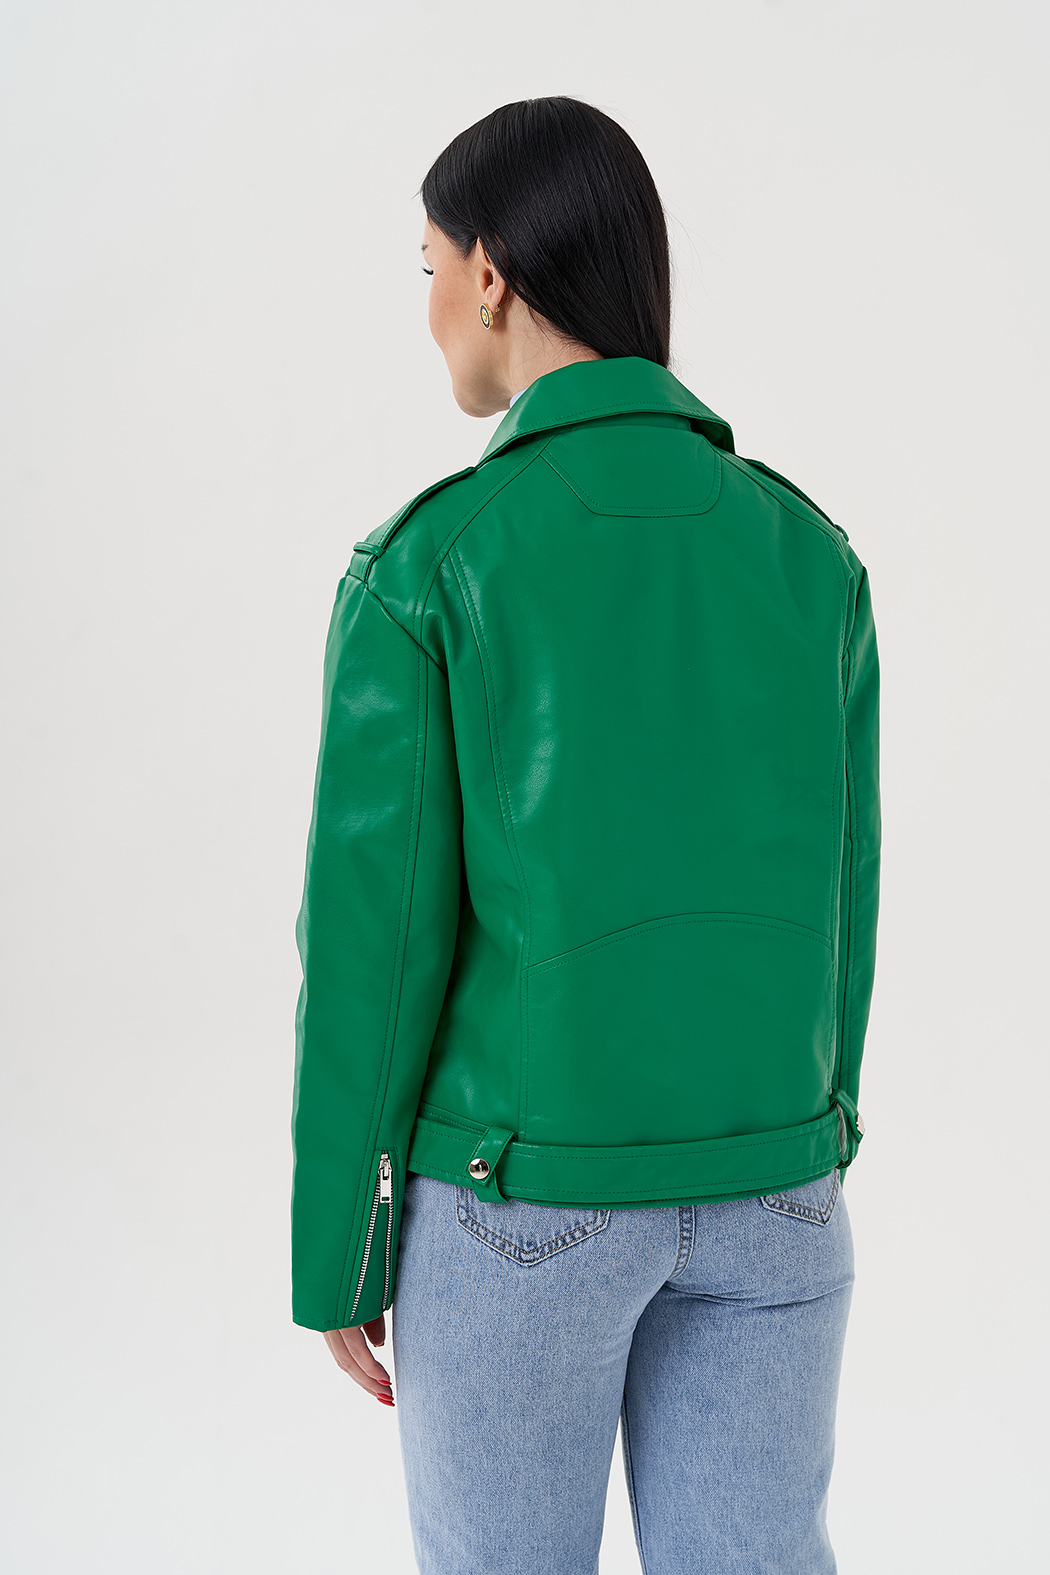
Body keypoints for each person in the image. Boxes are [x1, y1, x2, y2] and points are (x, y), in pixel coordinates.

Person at [290, 96, 880, 1575]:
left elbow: (373, 952)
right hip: (777, 1190)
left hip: (522, 1202)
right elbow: (843, 896)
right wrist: (812, 1140)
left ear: (490, 273)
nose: (431, 306)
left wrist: (340, 1247)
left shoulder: (430, 566)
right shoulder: (808, 554)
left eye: (429, 266)